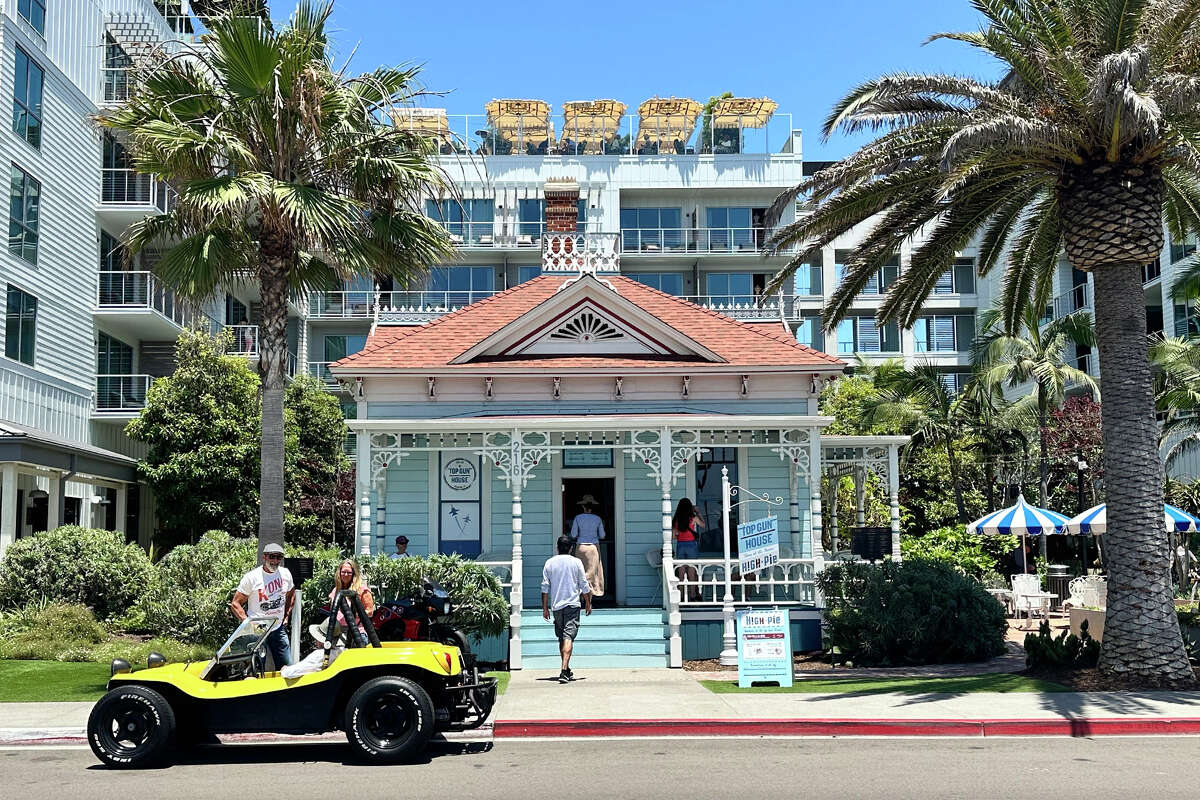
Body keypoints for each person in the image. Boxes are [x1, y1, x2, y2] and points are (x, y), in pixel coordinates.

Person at [231, 543, 295, 669]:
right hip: (257, 632)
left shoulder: (286, 574)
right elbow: (235, 604)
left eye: (279, 557)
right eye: (272, 556)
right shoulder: (251, 578)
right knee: (256, 668)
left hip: (277, 628)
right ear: (264, 557)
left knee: (288, 668)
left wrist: (286, 616)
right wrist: (248, 623)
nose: (275, 561)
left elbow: (291, 594)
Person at [541, 535, 592, 684]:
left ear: (557, 547)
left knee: (562, 637)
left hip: (557, 606)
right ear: (571, 548)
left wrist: (545, 608)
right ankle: (564, 670)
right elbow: (583, 584)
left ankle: (566, 668)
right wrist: (588, 602)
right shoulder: (576, 562)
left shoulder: (549, 563)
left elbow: (544, 587)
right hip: (572, 604)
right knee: (568, 636)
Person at [329, 558, 375, 646]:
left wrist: (351, 613)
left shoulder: (362, 589)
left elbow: (370, 612)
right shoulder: (336, 591)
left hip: (357, 633)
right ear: (339, 573)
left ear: (354, 574)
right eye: (343, 572)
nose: (346, 575)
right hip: (338, 634)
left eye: (349, 572)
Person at [569, 494, 606, 598]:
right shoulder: (597, 519)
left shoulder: (578, 518)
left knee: (580, 572)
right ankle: (589, 599)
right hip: (593, 547)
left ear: (583, 506)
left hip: (581, 547)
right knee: (592, 573)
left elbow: (573, 534)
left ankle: (580, 595)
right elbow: (602, 535)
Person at [672, 498, 704, 602]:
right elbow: (703, 525)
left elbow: (673, 536)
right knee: (691, 571)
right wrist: (698, 512)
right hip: (691, 545)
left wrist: (680, 537)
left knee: (681, 571)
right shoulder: (692, 517)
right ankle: (693, 596)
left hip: (680, 545)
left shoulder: (676, 519)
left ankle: (680, 596)